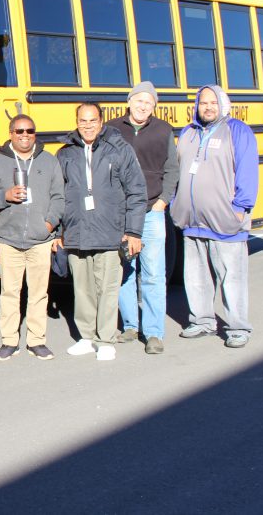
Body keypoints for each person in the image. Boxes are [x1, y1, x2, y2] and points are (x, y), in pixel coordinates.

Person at [54, 103, 147, 362]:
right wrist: (58, 232)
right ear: (76, 121)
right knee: (82, 288)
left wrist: (133, 231)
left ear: (101, 121)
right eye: (83, 121)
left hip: (110, 231)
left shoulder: (119, 149)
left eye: (93, 120)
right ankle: (86, 337)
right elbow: (58, 195)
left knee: (107, 288)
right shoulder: (66, 154)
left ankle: (106, 339)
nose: (88, 125)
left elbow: (137, 192)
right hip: (77, 232)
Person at [171, 85, 258, 348]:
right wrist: (177, 204)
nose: (207, 107)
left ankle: (238, 327)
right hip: (192, 220)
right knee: (195, 276)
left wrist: (240, 207)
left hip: (226, 220)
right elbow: (179, 171)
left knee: (232, 276)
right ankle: (202, 321)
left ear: (223, 104)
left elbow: (247, 171)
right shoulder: (188, 133)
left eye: (213, 102)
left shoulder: (238, 131)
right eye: (203, 103)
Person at [106, 82, 179, 355]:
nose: (143, 106)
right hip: (121, 212)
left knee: (153, 273)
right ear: (129, 102)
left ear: (154, 106)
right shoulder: (112, 129)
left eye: (149, 103)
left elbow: (172, 169)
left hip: (151, 212)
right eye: (139, 101)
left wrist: (162, 202)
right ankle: (129, 326)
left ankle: (153, 333)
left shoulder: (163, 130)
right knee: (125, 270)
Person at [0, 115, 65, 362]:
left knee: (39, 293)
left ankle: (36, 341)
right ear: (10, 133)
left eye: (30, 131)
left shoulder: (48, 161)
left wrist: (49, 225)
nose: (25, 135)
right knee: (9, 292)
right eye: (19, 130)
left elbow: (59, 197)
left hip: (40, 240)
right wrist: (4, 195)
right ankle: (9, 341)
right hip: (9, 239)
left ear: (35, 134)